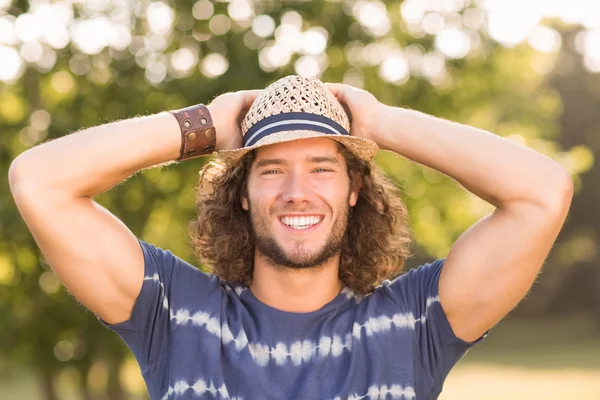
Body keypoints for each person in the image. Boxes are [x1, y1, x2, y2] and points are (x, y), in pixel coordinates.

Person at [8, 75, 572, 400]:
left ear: (354, 189)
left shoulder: (416, 322)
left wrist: (381, 125)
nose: (297, 191)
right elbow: (39, 180)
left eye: (323, 167)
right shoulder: (172, 313)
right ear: (243, 193)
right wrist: (203, 125)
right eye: (272, 169)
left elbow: (542, 191)